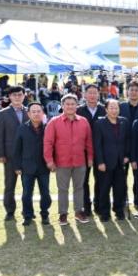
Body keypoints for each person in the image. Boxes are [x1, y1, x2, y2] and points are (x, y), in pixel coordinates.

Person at [43, 94, 94, 226]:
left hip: (80, 162)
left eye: (73, 104)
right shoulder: (54, 122)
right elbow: (48, 143)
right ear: (62, 106)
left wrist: (90, 157)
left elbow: (89, 142)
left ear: (77, 105)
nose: (70, 106)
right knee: (63, 189)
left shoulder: (84, 121)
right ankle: (63, 213)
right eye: (67, 104)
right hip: (61, 162)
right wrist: (49, 160)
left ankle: (79, 211)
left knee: (79, 187)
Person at [12, 102, 51, 226]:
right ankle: (28, 216)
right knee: (26, 194)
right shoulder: (22, 128)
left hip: (44, 167)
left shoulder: (48, 128)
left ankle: (45, 215)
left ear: (42, 113)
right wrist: (17, 166)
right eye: (33, 111)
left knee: (45, 193)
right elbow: (16, 149)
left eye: (39, 111)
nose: (36, 114)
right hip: (27, 167)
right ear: (28, 114)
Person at [93, 99, 131, 222]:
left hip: (120, 162)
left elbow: (127, 140)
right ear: (106, 109)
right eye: (111, 108)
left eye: (116, 108)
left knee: (120, 189)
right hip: (105, 163)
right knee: (104, 189)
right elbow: (97, 145)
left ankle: (119, 211)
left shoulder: (124, 122)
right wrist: (100, 162)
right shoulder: (99, 123)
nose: (114, 110)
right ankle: (104, 213)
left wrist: (127, 155)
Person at [0, 86, 29, 221]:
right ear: (9, 97)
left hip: (27, 155)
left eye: (20, 94)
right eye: (14, 95)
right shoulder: (3, 114)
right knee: (9, 185)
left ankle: (27, 211)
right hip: (9, 155)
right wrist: (0, 154)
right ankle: (10, 211)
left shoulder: (30, 111)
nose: (17, 97)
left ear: (24, 96)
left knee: (28, 185)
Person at [77, 84, 107, 217]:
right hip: (83, 151)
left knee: (100, 179)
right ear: (85, 94)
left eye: (95, 93)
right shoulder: (78, 110)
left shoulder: (105, 109)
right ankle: (86, 206)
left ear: (98, 94)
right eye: (90, 92)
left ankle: (99, 205)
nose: (92, 95)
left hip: (102, 151)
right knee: (83, 180)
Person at [120, 81, 138, 213]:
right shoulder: (120, 106)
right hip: (122, 147)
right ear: (127, 91)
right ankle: (123, 200)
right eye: (131, 90)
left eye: (136, 90)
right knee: (121, 177)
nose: (134, 92)